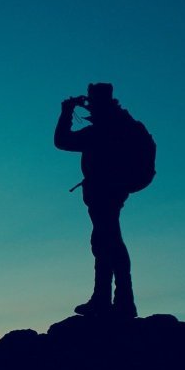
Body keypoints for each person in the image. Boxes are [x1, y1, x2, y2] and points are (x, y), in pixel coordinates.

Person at [54, 82, 137, 318]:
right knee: (104, 241)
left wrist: (67, 111)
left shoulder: (103, 130)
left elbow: (62, 141)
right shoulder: (120, 125)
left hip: (104, 191)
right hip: (114, 190)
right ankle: (110, 300)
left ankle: (117, 301)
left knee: (108, 242)